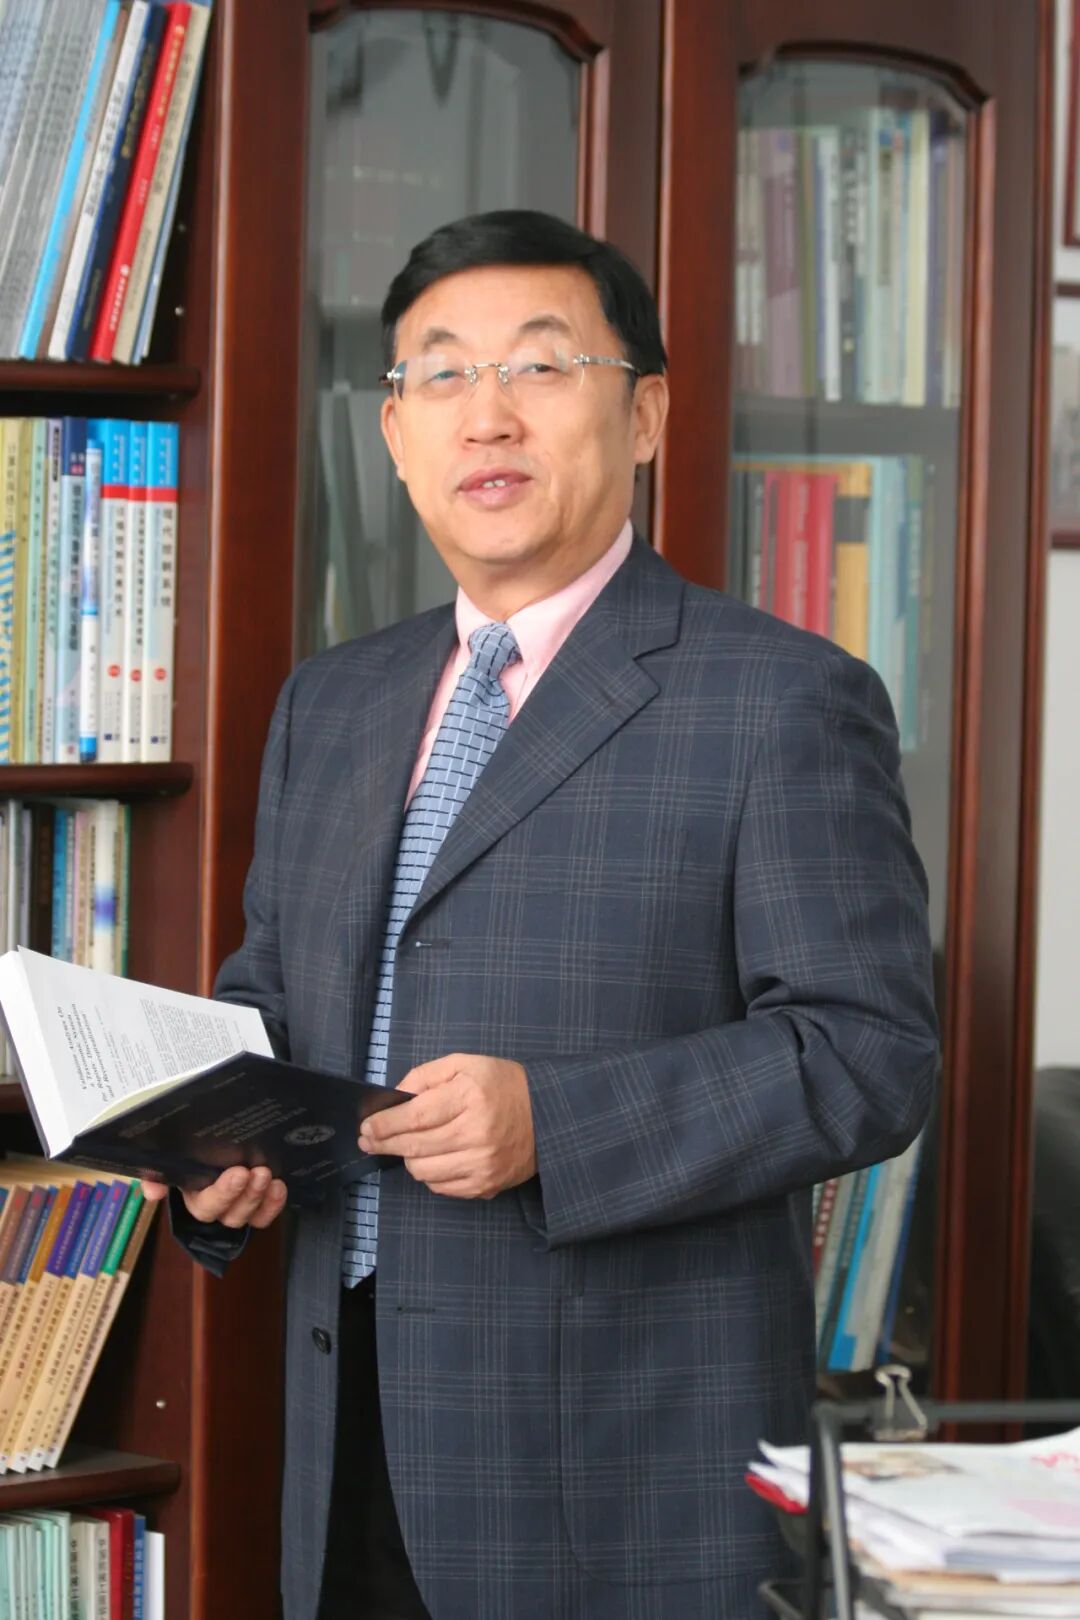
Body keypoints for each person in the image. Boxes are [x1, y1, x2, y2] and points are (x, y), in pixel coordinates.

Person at [142, 209, 938, 1620]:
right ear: (395, 436)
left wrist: (553, 1129)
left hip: (618, 1472)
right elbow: (279, 989)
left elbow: (867, 1052)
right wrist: (213, 1142)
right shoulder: (333, 702)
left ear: (647, 416)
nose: (487, 413)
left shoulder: (782, 698)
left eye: (541, 366)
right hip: (347, 1434)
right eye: (441, 374)